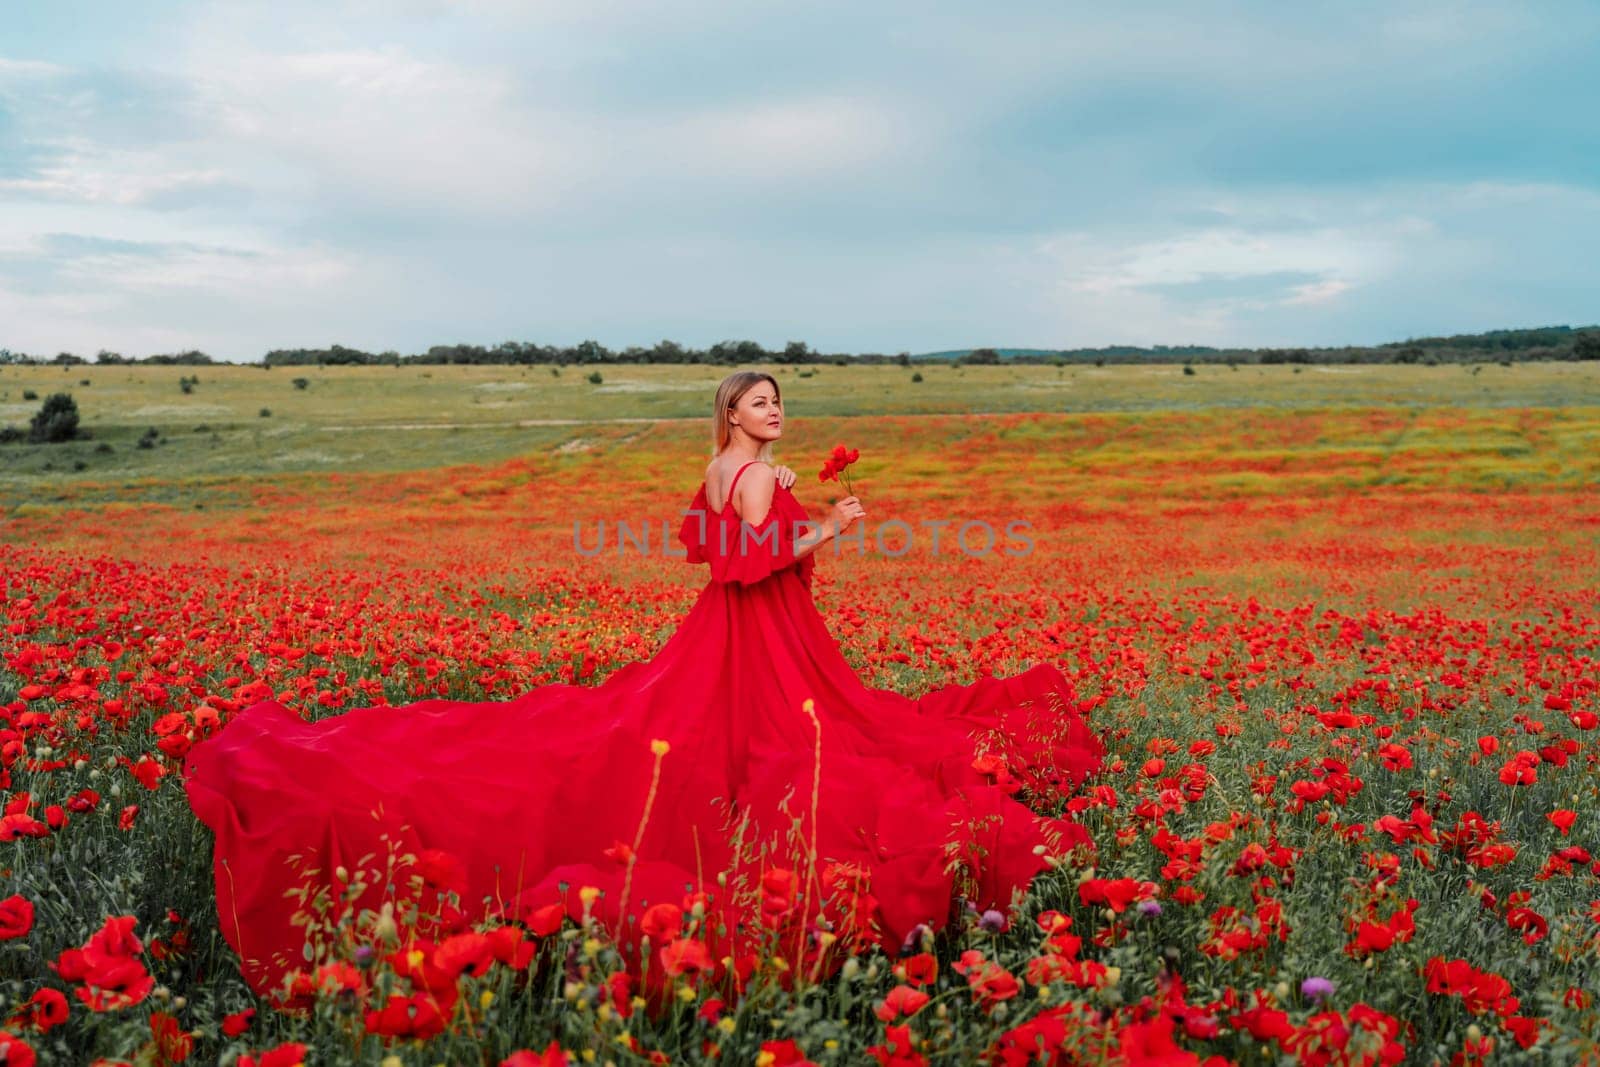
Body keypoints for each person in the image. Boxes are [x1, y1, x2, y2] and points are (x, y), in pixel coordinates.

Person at [183, 370, 1104, 1002]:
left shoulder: (722, 467)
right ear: (732, 412)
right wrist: (835, 524)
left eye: (779, 400)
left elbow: (731, 530)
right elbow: (756, 556)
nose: (774, 410)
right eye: (758, 402)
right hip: (761, 632)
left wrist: (782, 490)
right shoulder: (749, 476)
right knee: (792, 744)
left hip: (728, 629)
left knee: (654, 720)